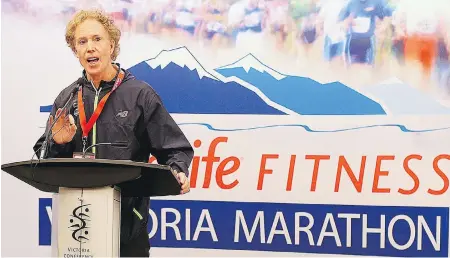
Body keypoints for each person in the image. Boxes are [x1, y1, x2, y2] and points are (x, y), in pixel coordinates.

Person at [32, 9, 194, 257]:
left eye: (97, 39)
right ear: (75, 50)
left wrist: (178, 170)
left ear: (112, 45)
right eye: (82, 42)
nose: (90, 48)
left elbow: (175, 149)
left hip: (127, 230)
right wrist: (58, 143)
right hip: (76, 227)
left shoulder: (140, 95)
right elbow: (43, 159)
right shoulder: (65, 99)